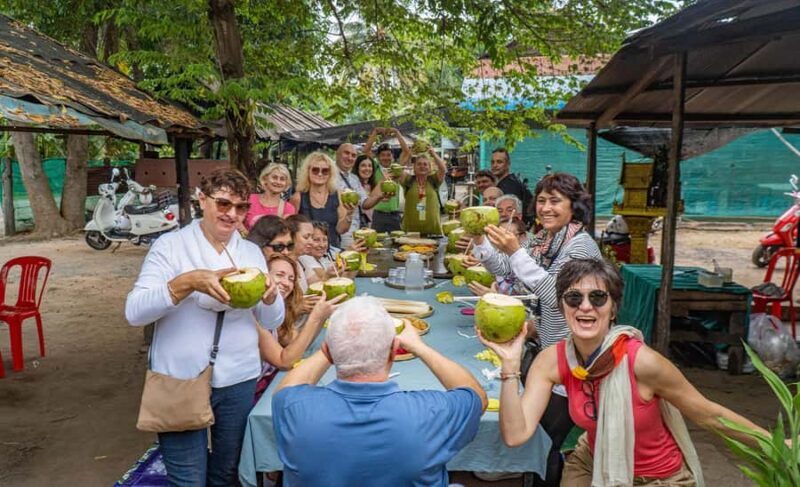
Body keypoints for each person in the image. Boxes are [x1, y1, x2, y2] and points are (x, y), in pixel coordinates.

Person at [481, 258, 778, 486]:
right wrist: (510, 367)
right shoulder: (552, 360)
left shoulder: (642, 362)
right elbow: (516, 435)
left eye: (598, 298)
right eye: (574, 298)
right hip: (592, 463)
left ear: (613, 309)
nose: (585, 307)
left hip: (658, 479)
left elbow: (708, 414)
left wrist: (776, 446)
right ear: (562, 307)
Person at [125, 168, 285, 486]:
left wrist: (270, 297)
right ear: (202, 200)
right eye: (223, 204)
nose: (232, 214)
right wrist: (186, 283)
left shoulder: (250, 252)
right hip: (180, 375)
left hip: (239, 376)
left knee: (226, 474)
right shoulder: (171, 246)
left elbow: (271, 321)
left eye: (241, 207)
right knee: (189, 479)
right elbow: (135, 312)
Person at [467, 172, 602, 486]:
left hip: (574, 362)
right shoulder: (545, 240)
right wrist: (481, 241)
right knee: (538, 437)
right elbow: (509, 272)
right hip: (549, 354)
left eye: (555, 201)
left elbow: (559, 297)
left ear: (574, 206)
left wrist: (516, 252)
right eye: (541, 200)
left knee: (545, 441)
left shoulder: (580, 247)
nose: (545, 208)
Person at [272, 296, 487, 486]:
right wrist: (420, 347)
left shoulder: (293, 407)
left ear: (327, 350)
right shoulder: (431, 412)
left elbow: (286, 389)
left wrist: (333, 347)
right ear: (394, 352)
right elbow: (476, 395)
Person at [253, 254, 345, 400]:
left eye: (291, 279)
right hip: (256, 392)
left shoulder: (278, 311)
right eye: (279, 275)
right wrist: (315, 317)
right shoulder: (254, 315)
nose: (286, 283)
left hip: (272, 383)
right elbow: (285, 361)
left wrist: (322, 315)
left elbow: (297, 345)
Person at [290, 151, 356, 249]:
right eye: (315, 170)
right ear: (307, 171)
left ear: (330, 173)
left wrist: (349, 215)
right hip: (307, 252)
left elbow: (341, 230)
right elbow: (291, 230)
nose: (320, 174)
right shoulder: (297, 197)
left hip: (332, 250)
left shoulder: (338, 195)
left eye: (325, 171)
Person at [400, 146, 447, 235]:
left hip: (432, 230)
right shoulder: (408, 180)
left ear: (430, 168)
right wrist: (408, 155)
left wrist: (433, 154)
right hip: (411, 231)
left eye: (425, 164)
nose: (422, 166)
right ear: (414, 167)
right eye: (419, 164)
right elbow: (398, 170)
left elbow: (443, 169)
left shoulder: (434, 180)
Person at [334, 143, 368, 246]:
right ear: (337, 154)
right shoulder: (328, 176)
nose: (350, 158)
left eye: (353, 155)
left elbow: (365, 203)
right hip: (339, 233)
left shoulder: (354, 178)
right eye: (346, 153)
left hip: (355, 231)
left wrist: (380, 194)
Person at [244, 163, 296, 230]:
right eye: (274, 177)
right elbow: (238, 222)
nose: (278, 182)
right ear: (265, 179)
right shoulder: (250, 199)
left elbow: (287, 233)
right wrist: (246, 234)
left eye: (282, 179)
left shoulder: (288, 208)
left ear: (286, 183)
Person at [490, 148, 533, 222]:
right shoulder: (510, 181)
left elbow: (510, 215)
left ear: (508, 164)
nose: (495, 165)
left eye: (499, 162)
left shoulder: (510, 186)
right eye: (492, 162)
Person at [356, 154, 379, 226]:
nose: (367, 168)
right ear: (357, 168)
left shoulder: (371, 185)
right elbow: (366, 203)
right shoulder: (354, 185)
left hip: (369, 225)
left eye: (370, 166)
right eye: (363, 165)